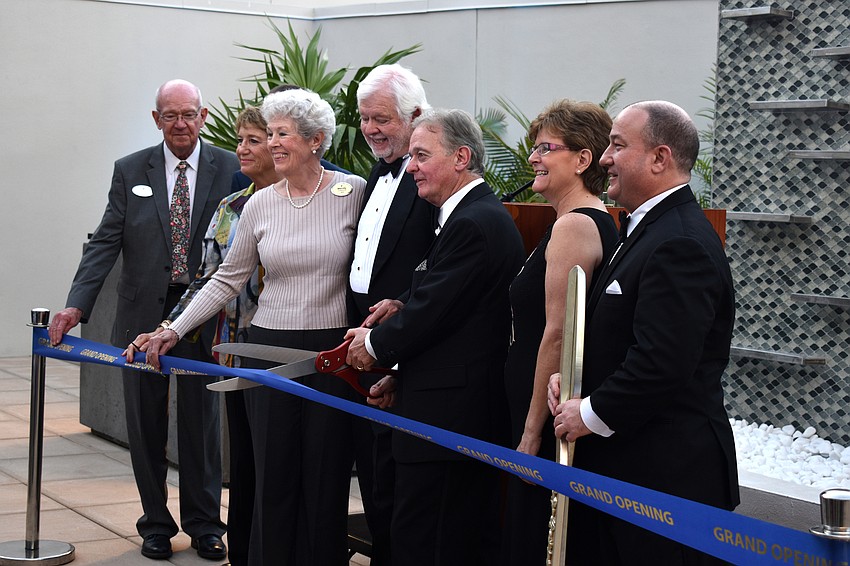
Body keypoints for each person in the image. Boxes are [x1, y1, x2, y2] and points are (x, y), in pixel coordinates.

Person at [139, 88, 366, 565]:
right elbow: (226, 279)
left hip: (332, 353)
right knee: (274, 475)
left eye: (283, 133)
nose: (273, 143)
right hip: (267, 350)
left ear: (316, 140)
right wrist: (172, 329)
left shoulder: (353, 194)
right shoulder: (260, 204)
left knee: (325, 477)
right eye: (271, 133)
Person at [47, 79, 237, 560]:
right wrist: (77, 305)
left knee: (201, 424)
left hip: (199, 313)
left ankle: (205, 524)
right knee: (144, 423)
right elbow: (106, 241)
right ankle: (155, 524)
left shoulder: (231, 167)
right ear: (157, 119)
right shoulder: (131, 169)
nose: (180, 124)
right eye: (170, 115)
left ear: (203, 116)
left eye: (189, 114)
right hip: (140, 314)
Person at [547, 100, 739, 565]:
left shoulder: (680, 241)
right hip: (629, 472)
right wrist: (574, 382)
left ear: (659, 158)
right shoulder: (645, 228)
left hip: (665, 482)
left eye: (617, 145)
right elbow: (618, 334)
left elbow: (662, 363)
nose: (605, 158)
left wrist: (588, 412)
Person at [346, 108, 525, 566]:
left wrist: (372, 346)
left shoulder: (473, 222)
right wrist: (400, 312)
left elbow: (435, 310)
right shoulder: (463, 215)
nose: (410, 168)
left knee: (430, 543)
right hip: (438, 413)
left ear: (461, 157)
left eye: (422, 156)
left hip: (451, 424)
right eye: (411, 157)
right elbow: (440, 301)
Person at [128, 104, 278, 566]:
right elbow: (211, 279)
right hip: (231, 347)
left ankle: (228, 532)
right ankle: (245, 549)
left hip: (286, 349)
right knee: (246, 457)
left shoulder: (316, 199)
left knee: (271, 457)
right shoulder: (232, 208)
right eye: (241, 140)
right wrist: (168, 329)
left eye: (254, 141)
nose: (242, 149)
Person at [501, 99, 617, 565]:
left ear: (583, 159)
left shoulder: (574, 225)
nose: (533, 158)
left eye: (545, 148)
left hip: (546, 415)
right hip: (540, 403)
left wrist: (532, 433)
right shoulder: (575, 221)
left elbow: (558, 335)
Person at [348, 63, 436, 566]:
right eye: (364, 118)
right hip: (362, 344)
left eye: (381, 118)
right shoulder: (375, 173)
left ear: (416, 115)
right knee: (373, 477)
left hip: (403, 348)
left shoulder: (431, 179)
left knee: (399, 486)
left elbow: (432, 271)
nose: (369, 129)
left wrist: (396, 349)